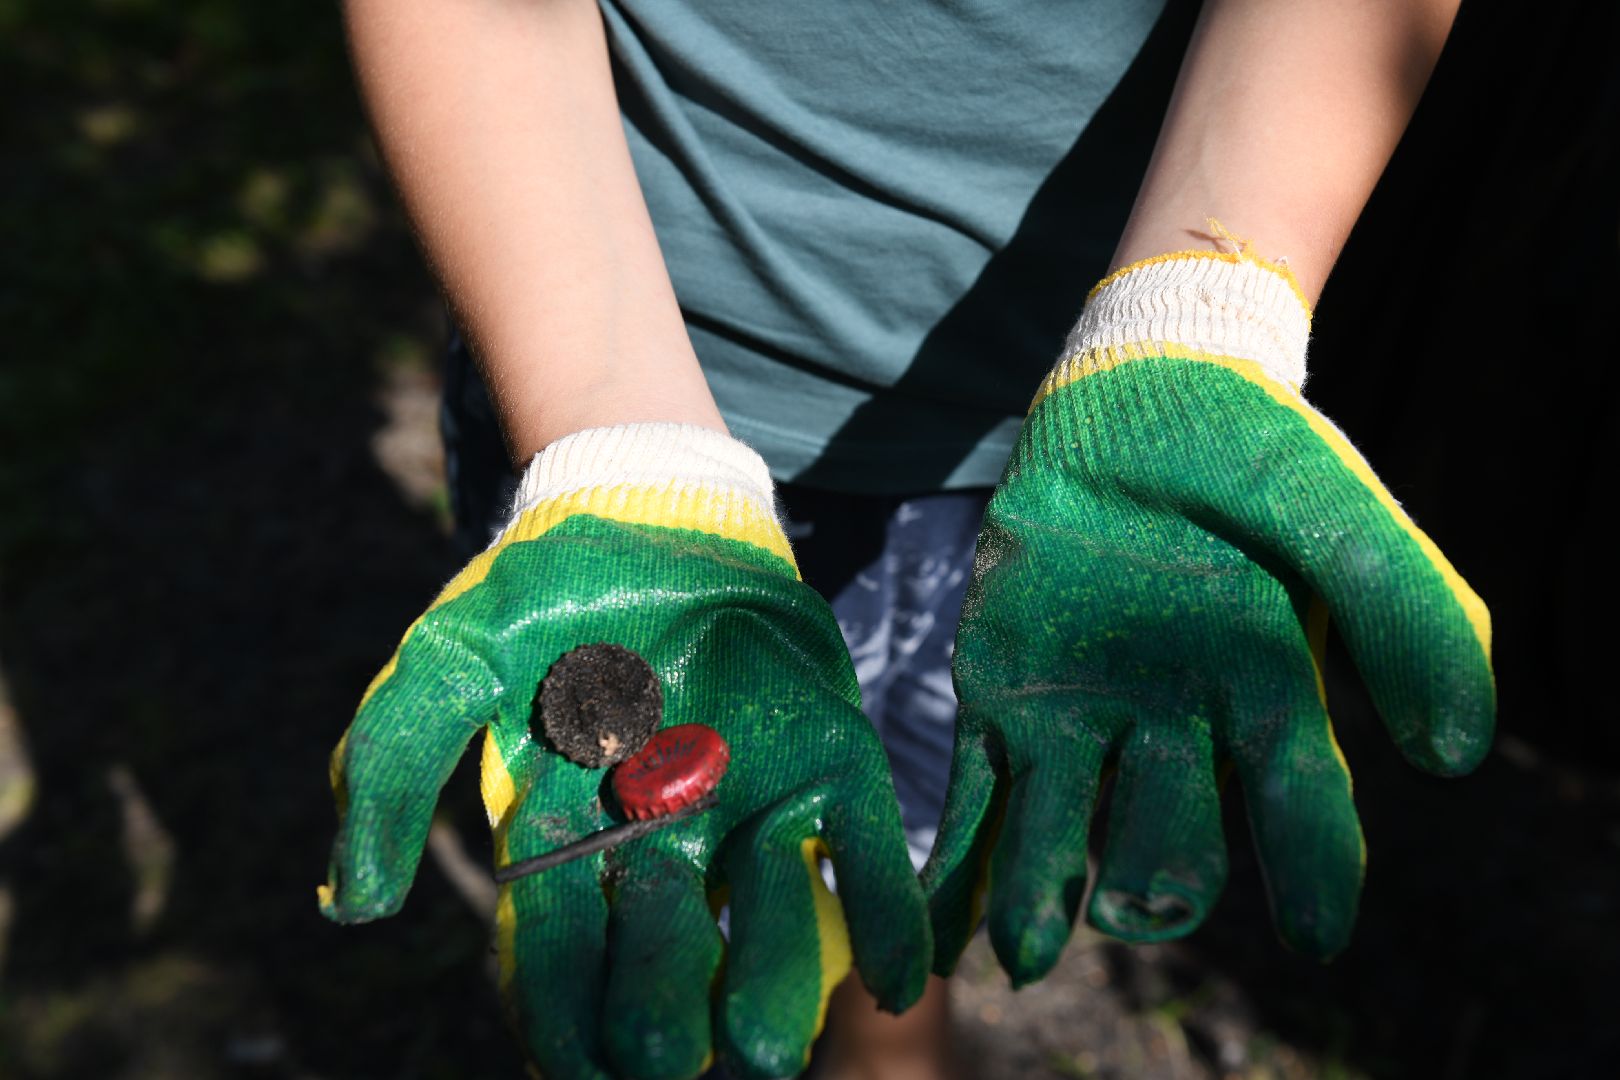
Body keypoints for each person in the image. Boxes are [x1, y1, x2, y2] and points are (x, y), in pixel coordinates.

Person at [317, 2, 1494, 1078]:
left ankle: (895, 1031)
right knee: (709, 919)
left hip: (1049, 448)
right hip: (616, 386)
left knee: (917, 848)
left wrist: (1198, 313)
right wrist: (615, 445)